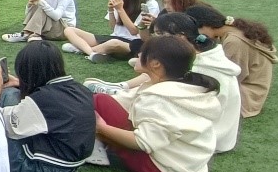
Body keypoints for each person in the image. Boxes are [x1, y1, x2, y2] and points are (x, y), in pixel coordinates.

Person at [87, 12, 242, 153]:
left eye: (160, 35)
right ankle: (119, 91)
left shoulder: (197, 70)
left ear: (180, 38)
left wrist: (104, 125)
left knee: (100, 103)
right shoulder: (203, 58)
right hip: (201, 138)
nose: (154, 40)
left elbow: (154, 125)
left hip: (201, 140)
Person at [91, 36, 222, 172]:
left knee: (99, 102)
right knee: (100, 101)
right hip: (184, 163)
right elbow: (123, 101)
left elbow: (142, 142)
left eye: (143, 52)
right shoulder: (185, 86)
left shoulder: (160, 99)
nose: (138, 54)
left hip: (161, 167)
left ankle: (94, 146)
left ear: (156, 64)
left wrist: (101, 128)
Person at [0, 42, 95, 172]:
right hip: (71, 162)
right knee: (13, 94)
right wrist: (18, 83)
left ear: (30, 71)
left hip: (43, 170)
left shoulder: (42, 100)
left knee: (4, 105)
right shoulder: (80, 89)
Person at [185, 4, 278, 117]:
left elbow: (229, 77)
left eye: (196, 31)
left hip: (246, 97)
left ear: (205, 26)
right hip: (248, 91)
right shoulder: (234, 30)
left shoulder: (234, 41)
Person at [62, 0, 159, 62]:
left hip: (132, 43)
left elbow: (134, 31)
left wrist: (120, 9)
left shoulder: (150, 4)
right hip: (114, 37)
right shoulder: (122, 0)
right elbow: (113, 27)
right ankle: (92, 52)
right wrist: (111, 10)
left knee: (114, 43)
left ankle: (82, 49)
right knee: (69, 30)